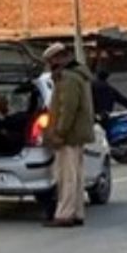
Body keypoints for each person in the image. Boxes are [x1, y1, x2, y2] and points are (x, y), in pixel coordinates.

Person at [42, 43, 95, 228]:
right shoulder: (78, 75)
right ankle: (77, 212)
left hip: (69, 135)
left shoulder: (69, 78)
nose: (50, 65)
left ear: (58, 58)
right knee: (76, 175)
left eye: (51, 61)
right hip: (77, 134)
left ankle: (65, 214)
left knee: (66, 176)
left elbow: (67, 109)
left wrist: (59, 132)